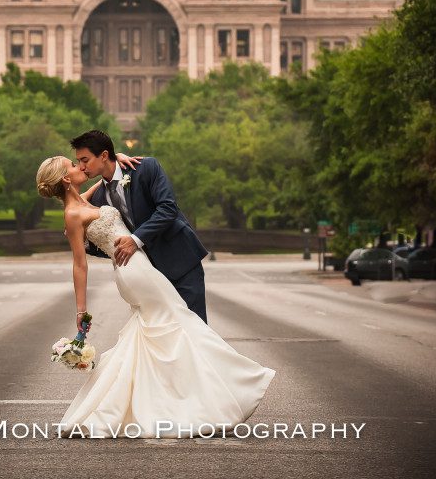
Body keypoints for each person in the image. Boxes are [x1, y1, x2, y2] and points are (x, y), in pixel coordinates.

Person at [35, 150, 276, 439]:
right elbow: (79, 264)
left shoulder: (82, 200)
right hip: (134, 271)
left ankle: (174, 398)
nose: (81, 166)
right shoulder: (73, 214)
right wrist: (81, 311)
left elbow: (105, 182)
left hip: (140, 267)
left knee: (161, 331)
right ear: (65, 178)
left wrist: (115, 158)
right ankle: (223, 389)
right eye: (74, 165)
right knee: (180, 323)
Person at [71, 130, 209, 323]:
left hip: (180, 262)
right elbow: (113, 242)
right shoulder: (98, 197)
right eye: (78, 162)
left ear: (103, 155)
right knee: (164, 337)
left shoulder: (145, 168)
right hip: (147, 278)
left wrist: (136, 240)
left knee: (196, 330)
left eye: (85, 160)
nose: (81, 166)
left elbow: (168, 208)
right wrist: (84, 241)